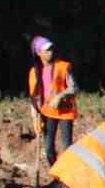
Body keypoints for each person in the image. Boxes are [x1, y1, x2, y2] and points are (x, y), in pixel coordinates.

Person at [27, 35, 78, 167]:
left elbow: (74, 88)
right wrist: (34, 118)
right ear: (39, 53)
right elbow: (34, 97)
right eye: (47, 50)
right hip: (47, 112)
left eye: (51, 49)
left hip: (65, 111)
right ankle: (55, 174)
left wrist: (60, 96)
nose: (51, 52)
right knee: (48, 148)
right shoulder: (34, 72)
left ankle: (67, 177)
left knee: (67, 146)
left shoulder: (63, 66)